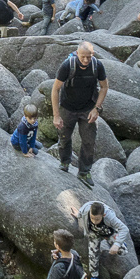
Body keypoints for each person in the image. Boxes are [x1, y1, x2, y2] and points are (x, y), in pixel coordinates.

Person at [52, 41, 108, 186]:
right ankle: (64, 162)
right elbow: (55, 89)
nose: (85, 60)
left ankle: (84, 172)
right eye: (83, 57)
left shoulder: (97, 66)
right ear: (77, 54)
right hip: (67, 107)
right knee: (64, 138)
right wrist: (56, 115)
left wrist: (97, 108)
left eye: (88, 57)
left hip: (88, 109)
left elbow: (104, 87)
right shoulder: (67, 66)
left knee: (89, 142)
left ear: (93, 54)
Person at [76, 200, 130, 279]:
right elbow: (80, 214)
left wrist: (117, 244)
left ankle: (117, 242)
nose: (94, 221)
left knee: (122, 251)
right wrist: (77, 216)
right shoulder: (85, 210)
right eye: (92, 218)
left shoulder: (109, 216)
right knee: (93, 254)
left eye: (97, 219)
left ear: (103, 215)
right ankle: (94, 277)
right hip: (94, 234)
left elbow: (124, 229)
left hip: (108, 232)